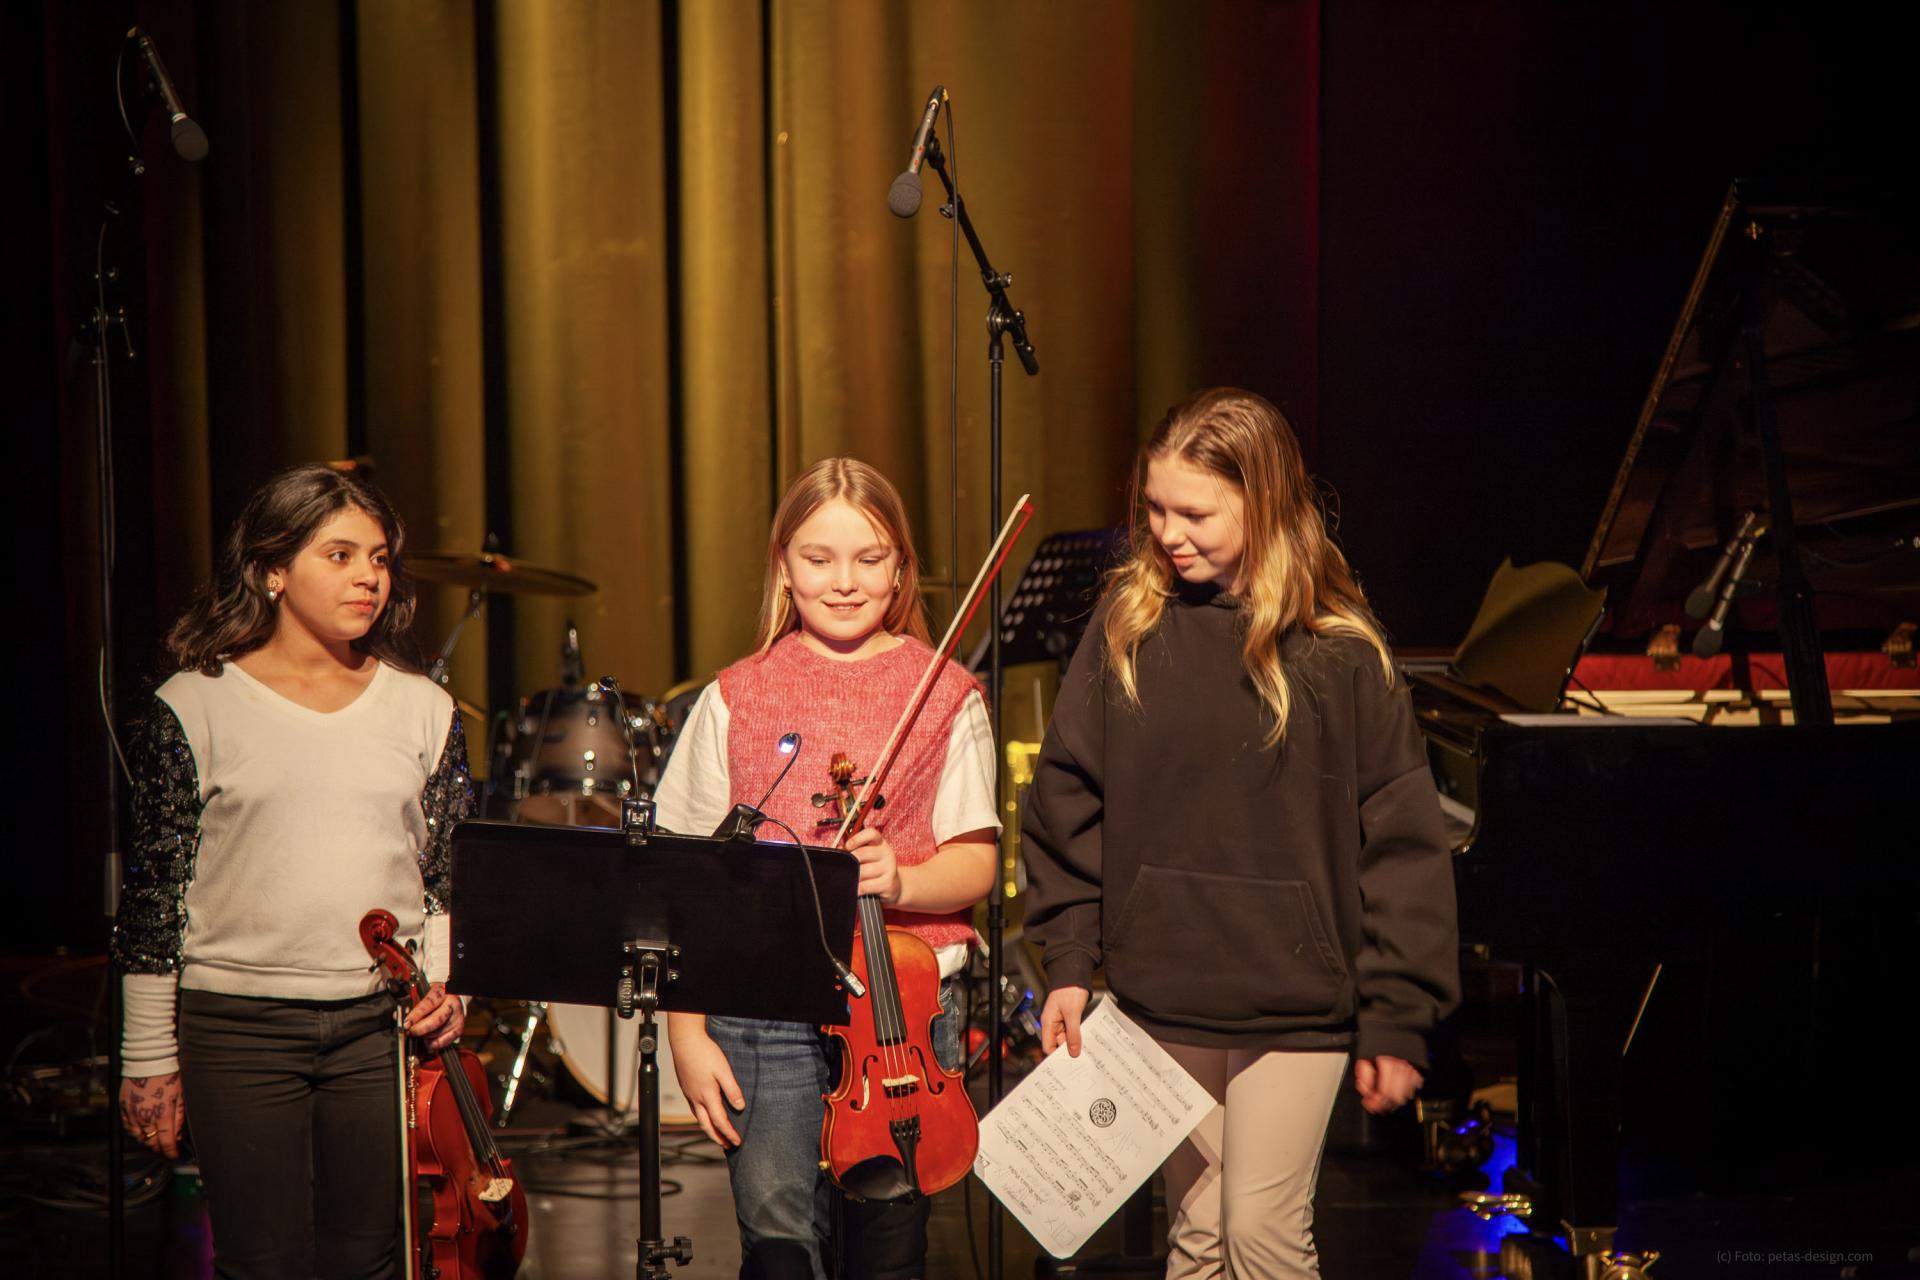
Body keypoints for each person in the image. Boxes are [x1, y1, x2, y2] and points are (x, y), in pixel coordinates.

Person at [1022, 388, 1459, 1280]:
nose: (1167, 533)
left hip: (1295, 1001)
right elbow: (1066, 795)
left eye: (1195, 514)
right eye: (1155, 509)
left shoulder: (1338, 651)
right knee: (1197, 1236)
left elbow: (1404, 844)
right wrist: (1067, 959)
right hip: (1163, 991)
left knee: (1260, 1230)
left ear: (1263, 503)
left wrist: (1396, 1015)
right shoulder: (1128, 626)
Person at [113, 463, 471, 1279]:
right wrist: (147, 1056)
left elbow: (446, 872)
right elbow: (155, 895)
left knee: (369, 1259)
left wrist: (449, 988)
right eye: (339, 556)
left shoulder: (423, 707)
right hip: (237, 1027)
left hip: (377, 1027)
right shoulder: (194, 705)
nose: (368, 578)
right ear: (272, 570)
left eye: (378, 559)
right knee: (259, 1261)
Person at [655, 457, 999, 1280]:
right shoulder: (736, 696)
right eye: (819, 559)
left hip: (902, 1015)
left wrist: (903, 880)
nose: (844, 582)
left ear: (901, 568)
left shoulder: (946, 693)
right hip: (762, 1012)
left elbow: (976, 861)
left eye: (869, 559)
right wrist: (685, 1029)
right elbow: (684, 878)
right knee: (779, 1246)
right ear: (783, 565)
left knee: (889, 1250)